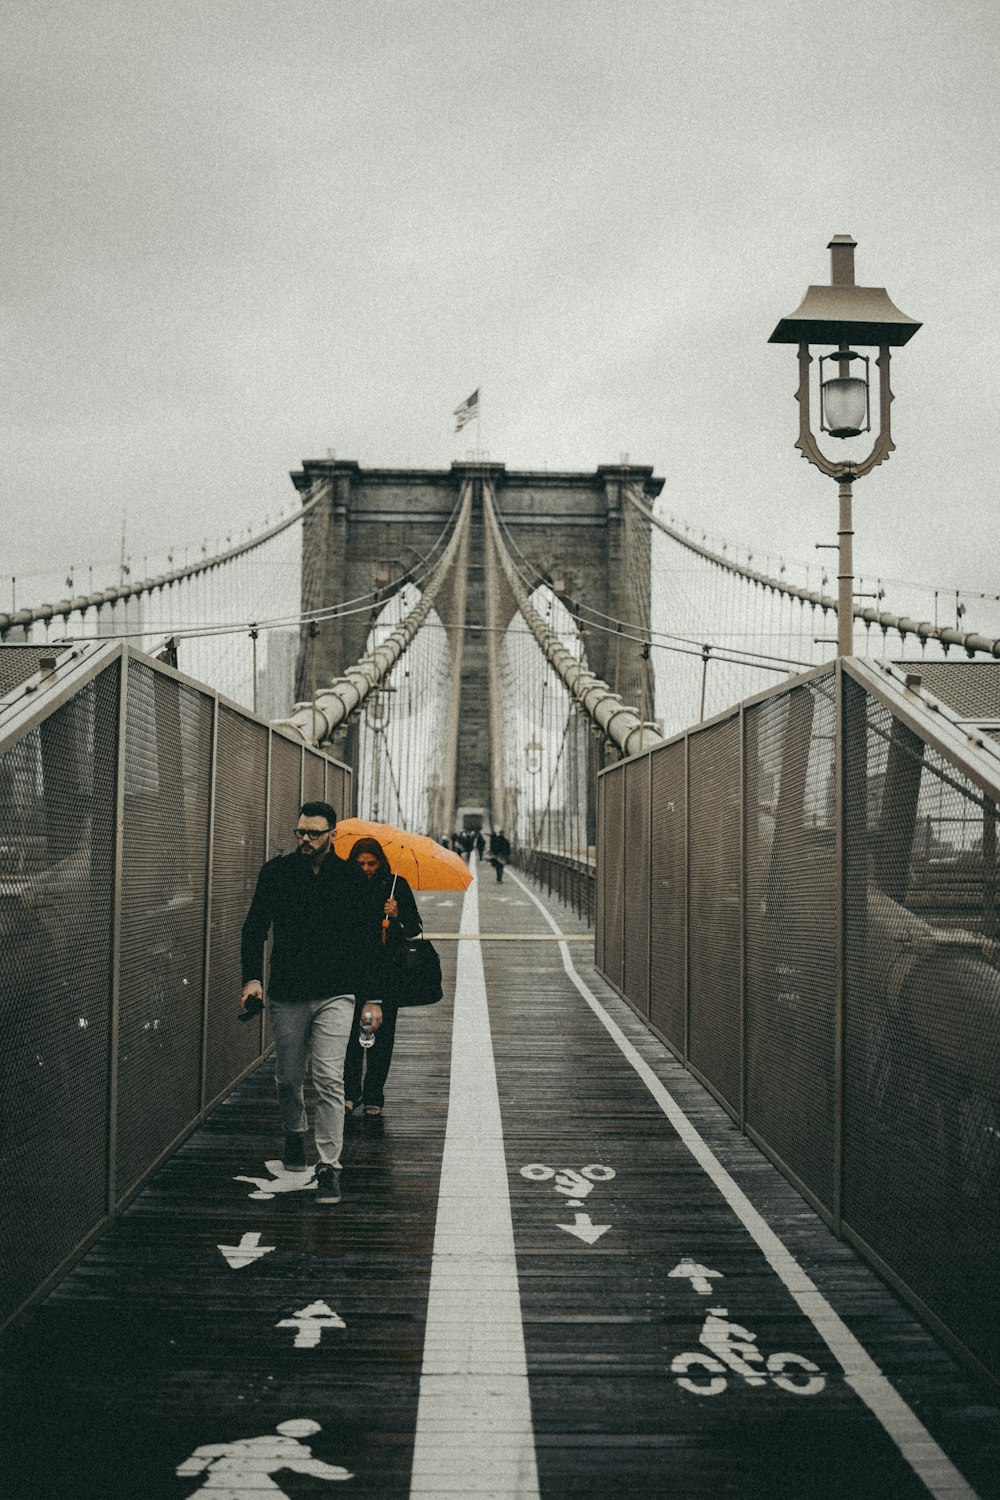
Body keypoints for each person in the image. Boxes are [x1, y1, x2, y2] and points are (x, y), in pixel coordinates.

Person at [240, 801, 385, 1206]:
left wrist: (372, 999)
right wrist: (252, 979)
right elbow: (254, 929)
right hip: (287, 992)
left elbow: (367, 941)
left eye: (313, 834)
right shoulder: (277, 873)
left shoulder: (351, 877)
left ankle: (329, 1166)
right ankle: (294, 1132)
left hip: (337, 992)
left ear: (332, 836)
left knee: (328, 1078)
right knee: (288, 1078)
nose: (305, 839)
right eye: (300, 832)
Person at [343, 836, 423, 1119]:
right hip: (350, 971)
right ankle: (350, 1093)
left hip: (388, 972)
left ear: (381, 862)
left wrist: (397, 914)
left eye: (371, 863)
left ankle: (374, 1093)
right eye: (360, 863)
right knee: (349, 1035)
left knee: (383, 1036)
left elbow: (413, 928)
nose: (366, 868)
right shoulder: (343, 885)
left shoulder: (395, 885)